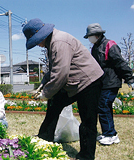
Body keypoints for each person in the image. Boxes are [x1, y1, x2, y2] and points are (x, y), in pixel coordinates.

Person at [22, 18, 104, 160]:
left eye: (37, 41)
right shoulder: (51, 43)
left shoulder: (59, 42)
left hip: (89, 81)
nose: (38, 45)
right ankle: (44, 139)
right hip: (74, 81)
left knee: (88, 120)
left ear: (42, 35)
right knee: (54, 105)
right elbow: (53, 70)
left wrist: (45, 94)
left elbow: (60, 74)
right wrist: (43, 84)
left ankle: (86, 155)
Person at [84, 23, 134, 145]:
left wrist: (130, 79)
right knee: (104, 107)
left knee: (104, 105)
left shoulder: (109, 45)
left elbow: (120, 63)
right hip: (102, 83)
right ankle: (110, 132)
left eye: (91, 36)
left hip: (111, 82)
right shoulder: (95, 47)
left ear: (98, 35)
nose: (89, 39)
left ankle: (110, 134)